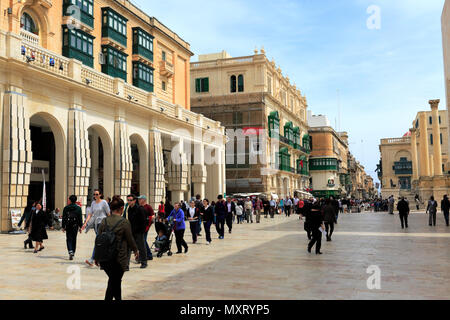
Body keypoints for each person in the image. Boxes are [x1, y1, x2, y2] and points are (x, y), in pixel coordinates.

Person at [95, 196, 138, 301]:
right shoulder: (124, 222)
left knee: (114, 281)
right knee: (114, 282)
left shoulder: (104, 221)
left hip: (105, 258)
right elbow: (130, 239)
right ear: (122, 208)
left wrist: (96, 256)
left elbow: (98, 240)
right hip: (119, 258)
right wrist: (136, 250)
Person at [82, 189, 110, 266]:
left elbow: (108, 214)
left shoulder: (104, 202)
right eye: (94, 194)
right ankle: (99, 259)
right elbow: (90, 214)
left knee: (99, 241)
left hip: (103, 224)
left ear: (100, 195)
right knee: (100, 241)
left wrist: (112, 223)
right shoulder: (93, 203)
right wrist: (85, 223)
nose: (95, 196)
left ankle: (93, 259)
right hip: (96, 224)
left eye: (97, 194)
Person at [126, 194, 148, 268]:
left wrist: (142, 231)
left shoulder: (140, 209)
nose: (129, 201)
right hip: (131, 231)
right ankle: (126, 265)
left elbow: (144, 221)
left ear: (134, 201)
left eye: (130, 200)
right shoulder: (129, 209)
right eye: (128, 200)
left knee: (141, 247)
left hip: (139, 232)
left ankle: (144, 262)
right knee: (129, 247)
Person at [62, 195, 83, 260]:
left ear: (70, 200)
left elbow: (64, 218)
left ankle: (70, 250)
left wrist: (63, 226)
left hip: (68, 225)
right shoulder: (78, 208)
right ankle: (73, 252)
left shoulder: (66, 208)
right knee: (74, 238)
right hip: (75, 225)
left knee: (69, 238)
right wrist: (80, 227)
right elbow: (80, 218)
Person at [138, 195, 154, 261]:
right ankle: (148, 254)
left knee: (143, 241)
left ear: (144, 200)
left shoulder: (148, 207)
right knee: (143, 241)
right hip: (140, 226)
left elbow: (153, 215)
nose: (139, 200)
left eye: (140, 199)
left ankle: (148, 255)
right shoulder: (139, 207)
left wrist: (148, 219)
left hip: (146, 226)